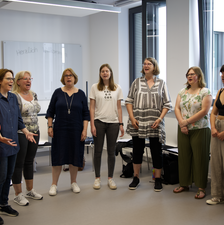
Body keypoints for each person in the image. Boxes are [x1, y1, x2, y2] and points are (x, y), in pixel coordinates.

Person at [0, 69, 37, 225]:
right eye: (8, 78)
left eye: (12, 78)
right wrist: (0, 137)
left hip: (14, 142)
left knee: (8, 177)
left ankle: (4, 204)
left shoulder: (13, 97)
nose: (11, 81)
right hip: (0, 144)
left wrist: (26, 132)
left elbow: (19, 119)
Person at [125, 57, 172, 192]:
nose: (146, 66)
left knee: (156, 152)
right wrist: (132, 118)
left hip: (155, 123)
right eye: (144, 64)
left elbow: (167, 104)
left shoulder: (161, 83)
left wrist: (160, 118)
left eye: (149, 64)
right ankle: (136, 177)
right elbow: (129, 101)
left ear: (154, 66)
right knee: (137, 151)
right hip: (138, 122)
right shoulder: (136, 82)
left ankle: (157, 179)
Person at [46, 68, 89, 195]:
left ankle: (73, 182)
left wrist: (85, 130)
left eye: (70, 75)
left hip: (76, 129)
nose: (68, 77)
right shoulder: (57, 92)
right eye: (66, 76)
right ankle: (54, 185)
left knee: (75, 155)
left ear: (74, 78)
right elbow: (50, 111)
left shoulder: (80, 93)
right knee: (58, 155)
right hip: (60, 129)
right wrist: (49, 126)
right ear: (63, 78)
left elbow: (86, 114)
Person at [173, 66, 212, 199]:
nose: (189, 76)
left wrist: (187, 122)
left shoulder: (205, 92)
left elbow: (204, 111)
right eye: (188, 74)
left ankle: (201, 187)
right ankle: (184, 184)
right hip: (183, 128)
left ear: (199, 76)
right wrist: (181, 123)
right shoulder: (182, 92)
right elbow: (177, 108)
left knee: (200, 158)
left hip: (200, 129)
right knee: (184, 156)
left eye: (192, 74)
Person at [89, 64, 124, 190]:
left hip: (113, 123)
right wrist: (92, 124)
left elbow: (119, 108)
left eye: (107, 71)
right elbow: (92, 107)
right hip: (99, 122)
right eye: (102, 71)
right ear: (100, 74)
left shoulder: (117, 88)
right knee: (97, 151)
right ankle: (97, 178)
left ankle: (110, 178)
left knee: (111, 152)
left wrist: (121, 124)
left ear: (110, 73)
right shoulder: (95, 87)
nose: (105, 73)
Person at [11, 71, 42, 206]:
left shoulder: (33, 94)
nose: (28, 81)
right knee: (19, 163)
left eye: (30, 79)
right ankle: (18, 194)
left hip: (35, 131)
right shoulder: (14, 96)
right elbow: (15, 116)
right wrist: (24, 130)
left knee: (29, 161)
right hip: (21, 133)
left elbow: (36, 110)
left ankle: (30, 190)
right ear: (18, 81)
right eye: (25, 79)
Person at [206, 65, 224, 205]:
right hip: (217, 128)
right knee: (216, 162)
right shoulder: (220, 91)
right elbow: (213, 112)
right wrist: (212, 127)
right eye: (221, 74)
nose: (222, 76)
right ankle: (217, 195)